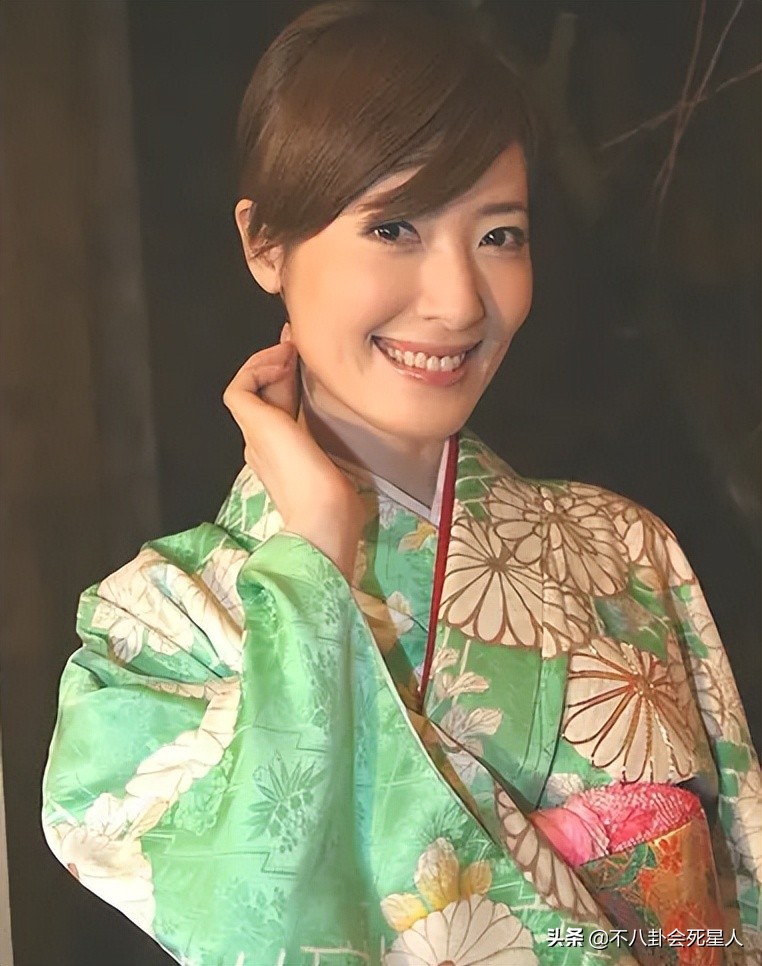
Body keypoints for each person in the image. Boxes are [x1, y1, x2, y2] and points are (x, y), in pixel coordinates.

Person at [42, 2, 761, 964]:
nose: (460, 302)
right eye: (393, 227)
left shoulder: (627, 550)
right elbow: (257, 917)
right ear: (264, 244)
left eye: (499, 235)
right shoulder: (154, 636)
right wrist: (314, 564)